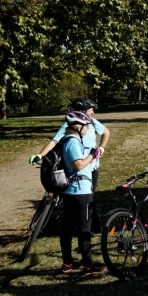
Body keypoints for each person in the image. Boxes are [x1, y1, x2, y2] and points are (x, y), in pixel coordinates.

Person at [30, 98, 109, 230]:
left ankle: (92, 224)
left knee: (90, 196)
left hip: (92, 167)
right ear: (83, 111)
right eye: (91, 110)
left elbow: (106, 132)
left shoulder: (92, 123)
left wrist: (101, 147)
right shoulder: (69, 126)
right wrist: (40, 154)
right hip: (76, 165)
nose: (93, 113)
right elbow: (54, 141)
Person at [58, 111, 106, 276]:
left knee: (67, 227)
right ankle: (87, 266)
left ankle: (68, 262)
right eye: (86, 125)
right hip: (80, 191)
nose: (88, 128)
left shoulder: (68, 140)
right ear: (78, 127)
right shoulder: (72, 142)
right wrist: (92, 154)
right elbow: (78, 165)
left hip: (70, 190)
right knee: (84, 228)